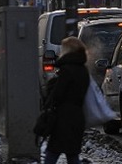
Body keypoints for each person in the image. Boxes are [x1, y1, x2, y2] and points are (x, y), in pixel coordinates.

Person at [40, 36, 89, 164]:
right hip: (77, 117)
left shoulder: (66, 70)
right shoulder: (83, 70)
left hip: (63, 118)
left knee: (52, 152)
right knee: (72, 154)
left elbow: (57, 95)